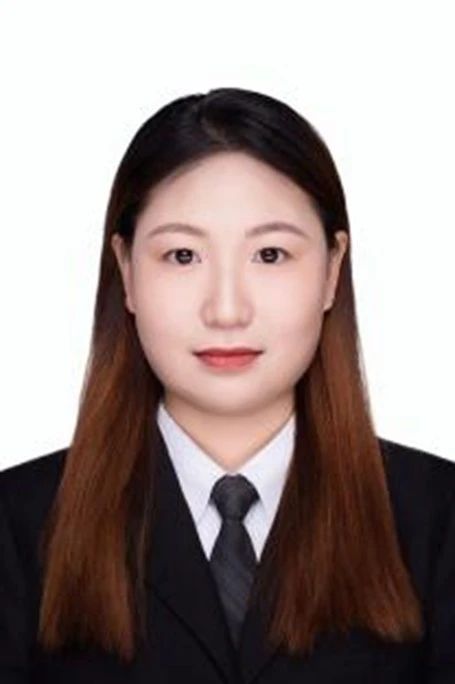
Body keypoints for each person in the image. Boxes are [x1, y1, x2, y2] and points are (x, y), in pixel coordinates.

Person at [1, 87, 454, 683]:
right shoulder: (15, 524)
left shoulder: (439, 517)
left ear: (332, 270)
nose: (226, 310)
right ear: (126, 269)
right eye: (183, 256)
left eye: (270, 255)